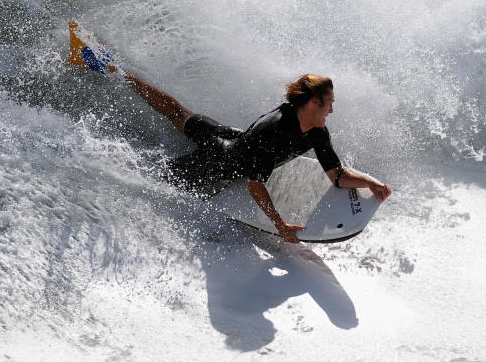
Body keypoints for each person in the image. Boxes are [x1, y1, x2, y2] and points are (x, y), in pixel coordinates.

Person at [123, 71, 392, 243]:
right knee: (153, 180)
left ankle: (120, 72)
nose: (333, 108)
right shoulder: (274, 132)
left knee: (178, 113)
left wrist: (369, 182)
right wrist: (280, 225)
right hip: (216, 164)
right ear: (313, 103)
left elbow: (336, 174)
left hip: (230, 136)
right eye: (329, 102)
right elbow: (256, 186)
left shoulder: (317, 131)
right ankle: (114, 71)